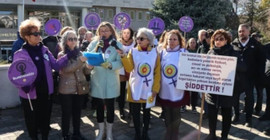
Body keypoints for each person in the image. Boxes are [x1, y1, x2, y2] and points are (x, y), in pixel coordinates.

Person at [12, 18, 77, 140]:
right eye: (35, 34)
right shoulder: (19, 54)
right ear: (26, 36)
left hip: (46, 92)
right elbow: (15, 75)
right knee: (32, 121)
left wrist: (68, 56)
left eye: (39, 33)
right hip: (30, 94)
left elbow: (56, 65)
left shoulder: (44, 50)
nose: (39, 36)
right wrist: (22, 86)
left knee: (45, 120)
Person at [120, 27, 161, 140]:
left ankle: (145, 133)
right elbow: (129, 68)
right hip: (135, 87)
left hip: (149, 88)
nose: (138, 40)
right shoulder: (133, 51)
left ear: (149, 40)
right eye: (137, 38)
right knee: (135, 113)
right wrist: (123, 57)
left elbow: (157, 72)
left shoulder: (155, 53)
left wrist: (155, 89)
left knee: (147, 112)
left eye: (141, 38)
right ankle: (137, 134)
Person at [86, 21, 123, 140]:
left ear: (111, 31)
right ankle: (101, 131)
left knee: (111, 107)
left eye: (106, 30)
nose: (104, 32)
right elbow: (88, 58)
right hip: (97, 80)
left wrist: (111, 65)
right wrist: (90, 63)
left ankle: (110, 133)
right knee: (99, 107)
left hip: (111, 80)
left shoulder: (117, 44)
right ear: (98, 32)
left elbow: (121, 61)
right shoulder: (94, 43)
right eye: (102, 30)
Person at [57, 30, 91, 140]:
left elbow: (85, 72)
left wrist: (89, 67)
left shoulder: (80, 53)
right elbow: (66, 69)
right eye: (70, 39)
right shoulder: (62, 55)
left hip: (79, 87)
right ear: (65, 41)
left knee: (77, 113)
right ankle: (65, 135)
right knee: (66, 113)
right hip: (66, 89)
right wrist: (80, 61)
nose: (73, 41)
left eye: (75, 39)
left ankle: (77, 133)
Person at [231, 24, 265, 127]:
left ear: (249, 32)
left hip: (250, 77)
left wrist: (259, 76)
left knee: (249, 98)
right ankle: (236, 115)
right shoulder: (233, 44)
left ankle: (248, 119)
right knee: (235, 97)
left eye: (243, 31)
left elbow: (261, 61)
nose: (241, 33)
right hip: (236, 77)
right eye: (240, 31)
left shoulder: (256, 44)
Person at [158, 29, 190, 140]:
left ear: (179, 41)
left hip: (177, 89)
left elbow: (189, 69)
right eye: (169, 39)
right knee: (166, 111)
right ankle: (168, 131)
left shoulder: (184, 52)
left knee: (175, 112)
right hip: (165, 89)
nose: (172, 41)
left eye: (174, 39)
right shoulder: (162, 53)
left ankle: (175, 134)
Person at [205, 29, 234, 140]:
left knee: (226, 116)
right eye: (216, 39)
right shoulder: (210, 52)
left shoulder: (233, 52)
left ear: (227, 40)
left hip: (227, 91)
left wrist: (230, 64)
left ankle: (224, 136)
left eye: (221, 39)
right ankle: (212, 134)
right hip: (212, 91)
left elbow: (243, 67)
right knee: (212, 115)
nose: (218, 41)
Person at [118, 27, 135, 120]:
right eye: (124, 33)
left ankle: (132, 111)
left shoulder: (135, 44)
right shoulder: (118, 43)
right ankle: (121, 109)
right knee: (121, 92)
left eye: (128, 33)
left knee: (131, 91)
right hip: (121, 71)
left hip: (131, 70)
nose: (126, 35)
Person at [186, 38, 199, 113]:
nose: (192, 44)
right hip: (187, 73)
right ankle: (184, 105)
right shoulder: (185, 51)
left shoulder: (198, 51)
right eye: (191, 42)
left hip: (195, 73)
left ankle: (194, 106)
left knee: (194, 91)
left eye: (194, 42)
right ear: (188, 43)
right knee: (185, 90)